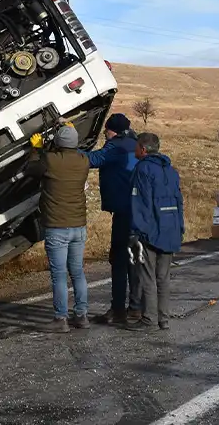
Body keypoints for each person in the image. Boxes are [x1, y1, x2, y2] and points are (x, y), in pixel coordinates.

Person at [24, 123, 91, 331]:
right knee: (77, 272)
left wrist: (36, 148)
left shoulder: (50, 160)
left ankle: (60, 319)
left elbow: (31, 169)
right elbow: (65, 157)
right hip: (78, 226)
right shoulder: (83, 161)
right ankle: (81, 315)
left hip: (57, 227)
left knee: (59, 274)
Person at [81, 113, 141, 325]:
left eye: (106, 130)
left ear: (111, 130)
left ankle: (117, 309)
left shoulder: (115, 146)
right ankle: (135, 307)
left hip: (123, 210)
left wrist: (67, 150)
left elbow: (93, 159)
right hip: (139, 212)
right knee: (135, 259)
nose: (105, 134)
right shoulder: (136, 144)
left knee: (119, 259)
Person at [125, 132, 184, 331]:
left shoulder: (142, 169)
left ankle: (149, 319)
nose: (134, 151)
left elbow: (139, 203)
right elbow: (179, 201)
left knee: (147, 276)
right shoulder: (171, 171)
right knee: (163, 277)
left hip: (150, 231)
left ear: (143, 148)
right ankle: (163, 319)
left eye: (136, 147)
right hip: (171, 229)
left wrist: (136, 231)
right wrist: (180, 228)